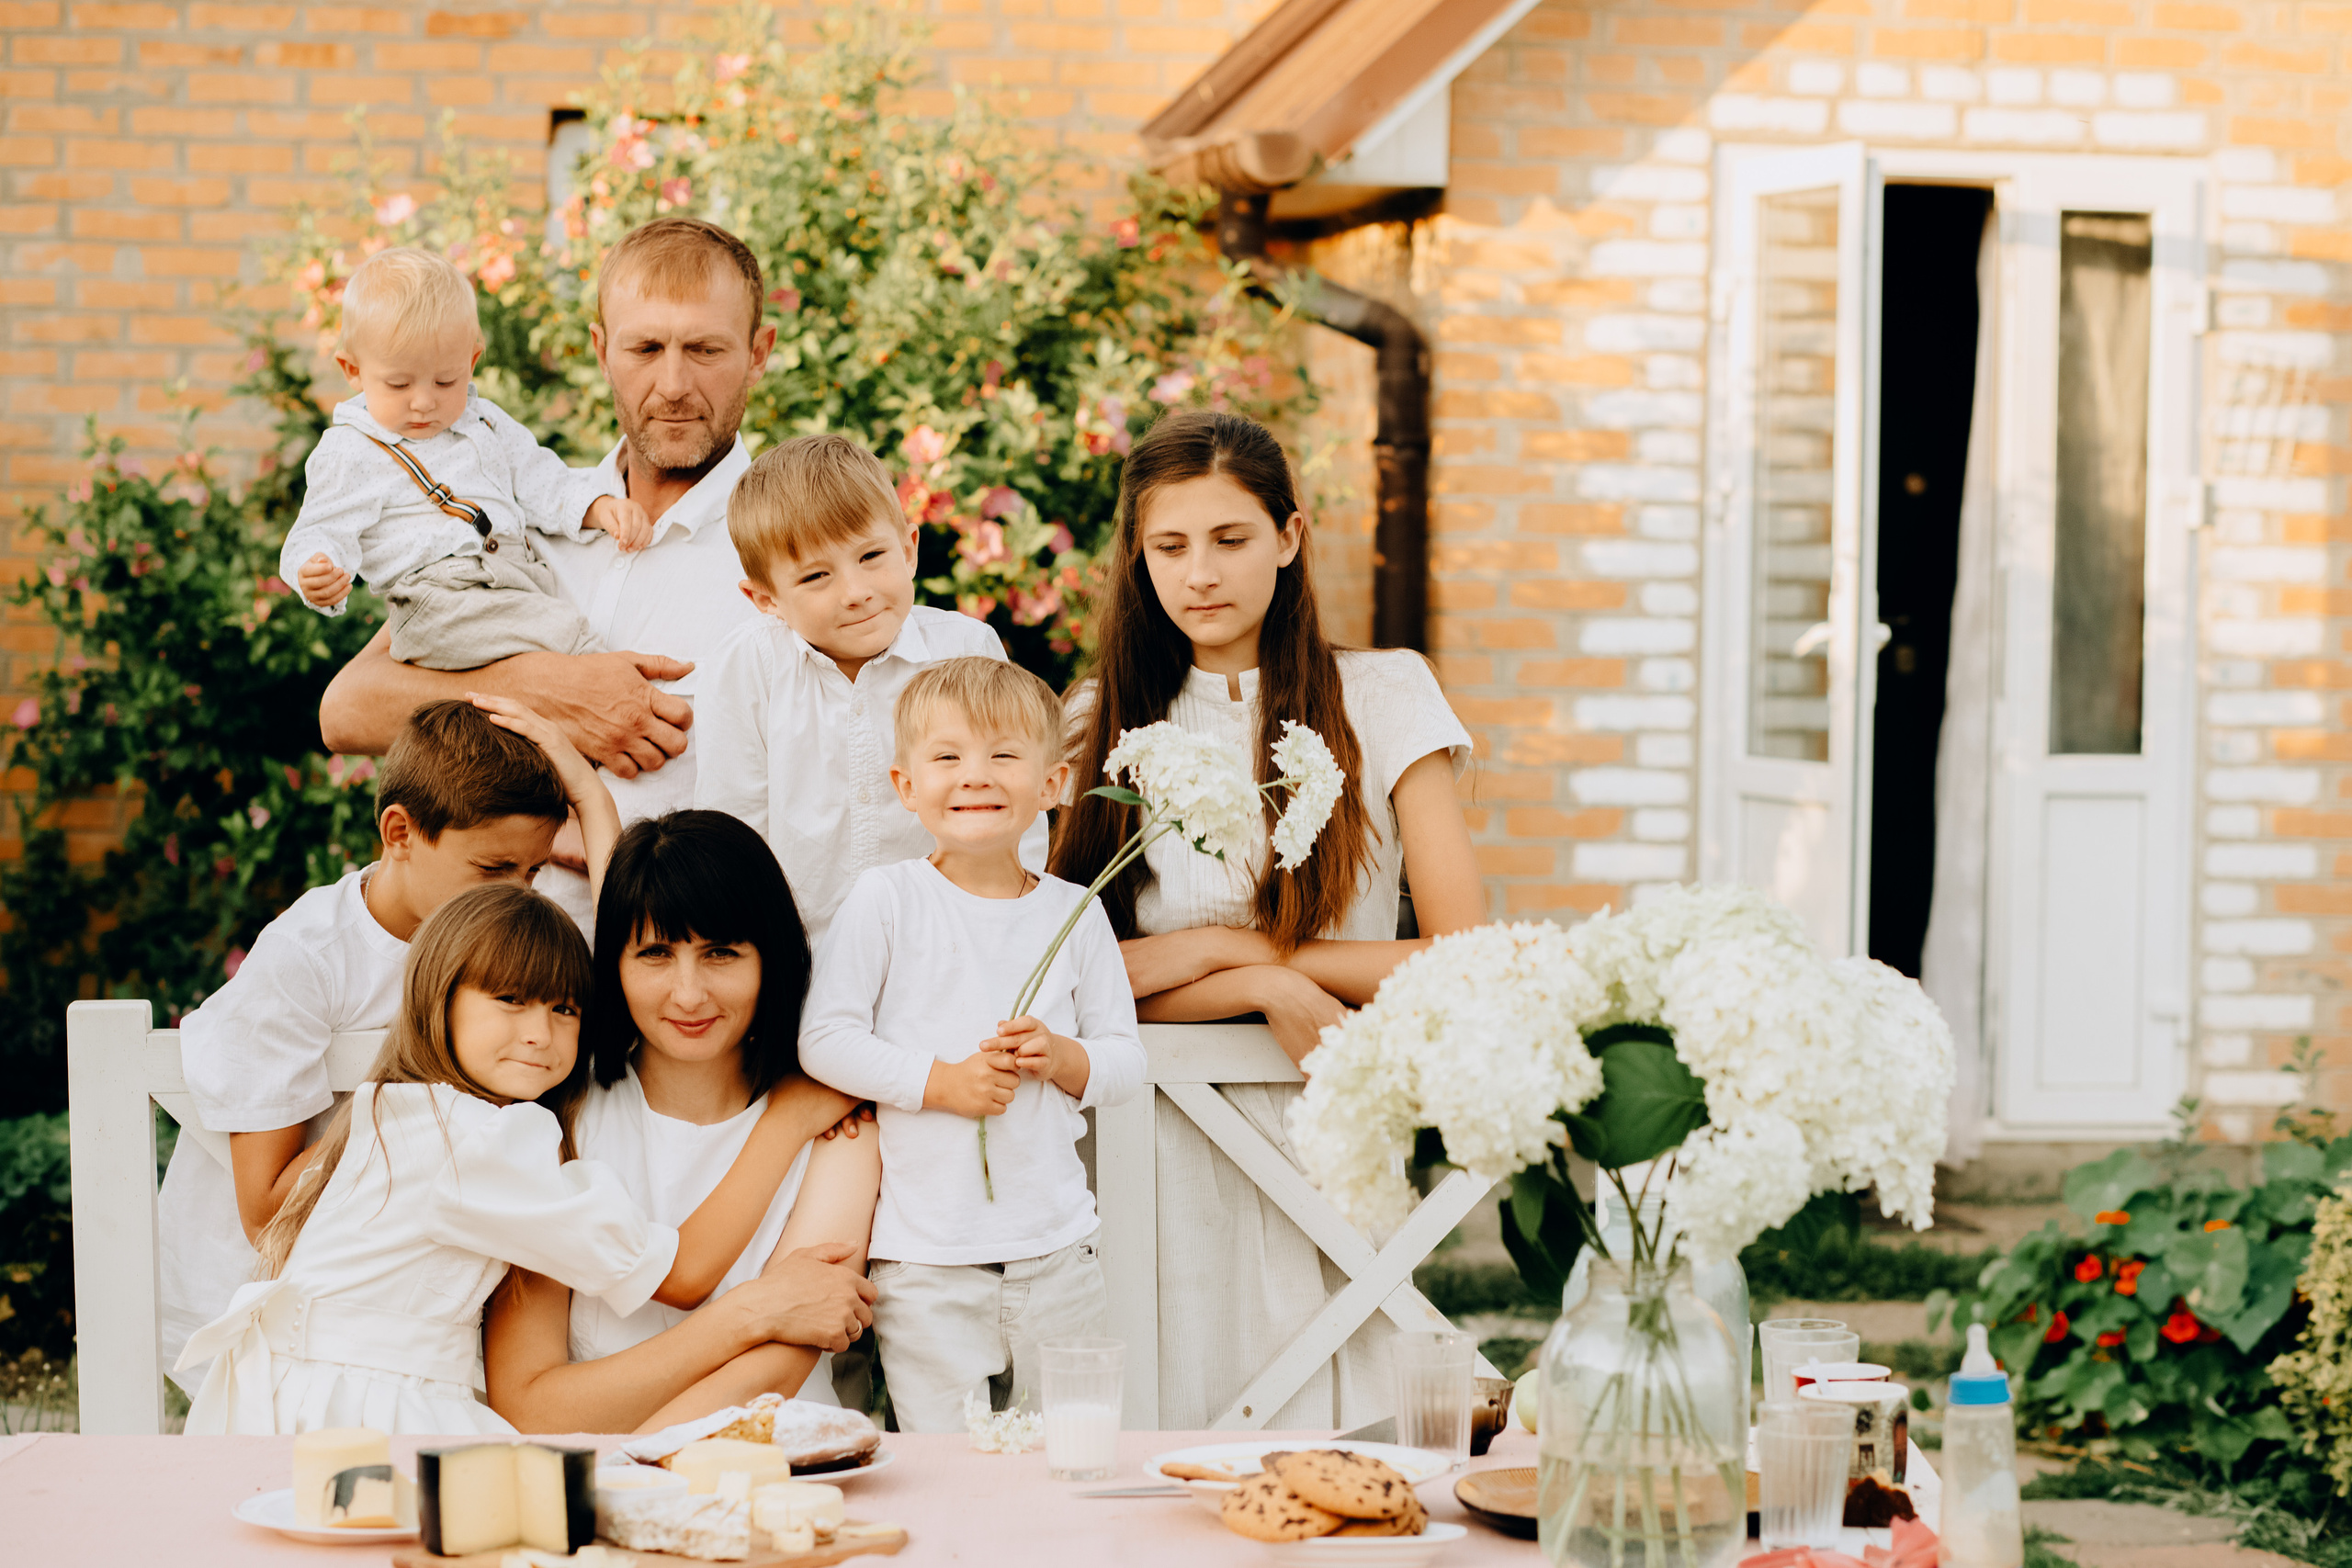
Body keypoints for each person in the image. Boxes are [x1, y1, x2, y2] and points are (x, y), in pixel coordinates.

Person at [1048, 407, 1482, 1430]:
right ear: (1138, 557)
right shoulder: (1092, 718)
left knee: (1334, 1430)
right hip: (1149, 1140)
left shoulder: (1385, 697)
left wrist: (1248, 953)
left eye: (1231, 539)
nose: (1200, 573)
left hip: (1321, 1115)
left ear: (1289, 538)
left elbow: (1463, 960)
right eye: (1170, 546)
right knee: (1166, 1438)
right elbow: (1064, 969)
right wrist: (1256, 978)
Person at [318, 218, 779, 928]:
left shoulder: (790, 554)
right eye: (646, 347)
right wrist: (547, 692)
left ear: (758, 353)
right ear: (602, 350)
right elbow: (350, 706)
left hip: (678, 986)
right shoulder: (515, 515)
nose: (674, 383)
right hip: (483, 988)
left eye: (706, 349)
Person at [155, 698, 572, 1392]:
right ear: (400, 831)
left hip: (405, 1307)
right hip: (262, 1307)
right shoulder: (307, 958)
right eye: (493, 868)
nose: (516, 896)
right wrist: (435, 1095)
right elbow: (265, 1212)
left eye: (531, 874)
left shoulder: (502, 954)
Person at [798, 657, 1145, 1432]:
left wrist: (1062, 1056)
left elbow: (1126, 1060)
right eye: (947, 756)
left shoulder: (1075, 914)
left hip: (1057, 1250)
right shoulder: (887, 900)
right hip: (926, 1260)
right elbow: (824, 1038)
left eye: (1004, 754)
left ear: (1053, 783)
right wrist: (941, 1083)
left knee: (1070, 1452)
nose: (975, 775)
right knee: (950, 1461)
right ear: (905, 785)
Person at [482, 811, 884, 1434]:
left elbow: (786, 1355)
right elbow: (529, 1403)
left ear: (768, 957)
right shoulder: (556, 1116)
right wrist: (750, 1311)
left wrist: (630, 1464)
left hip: (782, 1473)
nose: (689, 993)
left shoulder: (838, 1124)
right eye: (655, 953)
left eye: (720, 952)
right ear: (613, 962)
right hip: (597, 1488)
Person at [694, 433, 1044, 942]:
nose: (856, 593)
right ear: (764, 598)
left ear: (909, 549)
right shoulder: (747, 669)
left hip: (946, 945)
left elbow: (1017, 815)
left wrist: (1008, 934)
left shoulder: (967, 650)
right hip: (800, 960)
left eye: (872, 556)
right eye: (816, 577)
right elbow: (732, 839)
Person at [282, 246, 653, 670]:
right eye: (399, 384)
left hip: (511, 583)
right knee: (568, 640)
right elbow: (320, 529)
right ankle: (620, 686)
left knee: (551, 641)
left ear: (472, 361)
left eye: (445, 380)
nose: (423, 402)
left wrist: (598, 507)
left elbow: (539, 477)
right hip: (438, 603)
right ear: (353, 370)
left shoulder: (485, 422)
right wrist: (317, 571)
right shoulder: (352, 449)